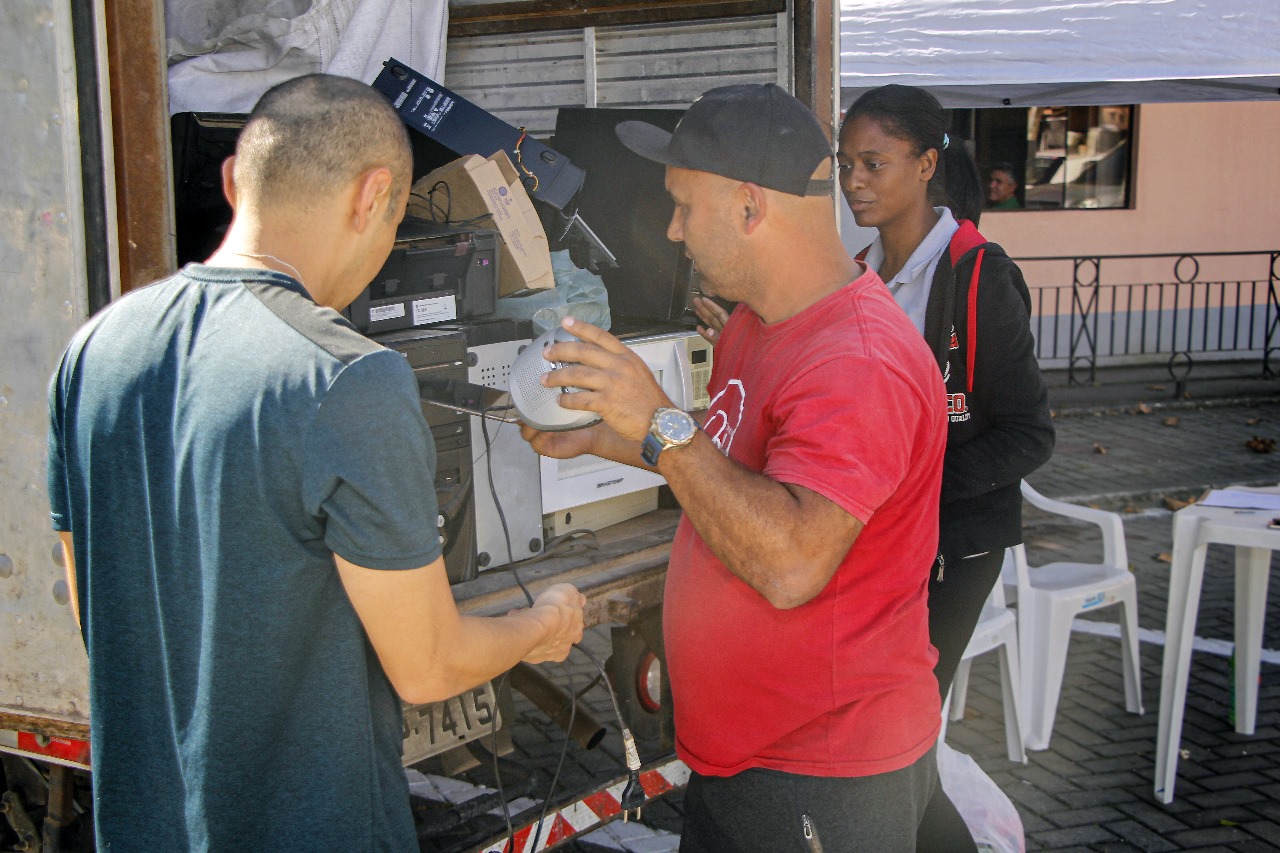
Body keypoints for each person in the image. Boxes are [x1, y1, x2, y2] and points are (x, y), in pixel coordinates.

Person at [47, 73, 585, 851]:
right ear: (374, 198)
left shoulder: (92, 353)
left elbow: (90, 607)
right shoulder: (348, 377)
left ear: (235, 182)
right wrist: (540, 625)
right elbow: (428, 665)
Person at [522, 83, 948, 851]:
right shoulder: (755, 323)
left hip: (821, 773)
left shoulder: (857, 359)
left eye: (685, 205)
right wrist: (608, 440)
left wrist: (655, 418)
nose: (673, 229)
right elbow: (726, 469)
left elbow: (789, 561)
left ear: (751, 207)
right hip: (745, 760)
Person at [837, 84, 1055, 850]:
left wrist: (916, 497)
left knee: (894, 733)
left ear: (927, 164)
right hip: (873, 551)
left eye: (874, 162)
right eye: (844, 162)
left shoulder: (976, 275)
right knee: (874, 733)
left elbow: (1029, 434)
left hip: (952, 548)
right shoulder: (856, 279)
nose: (853, 179)